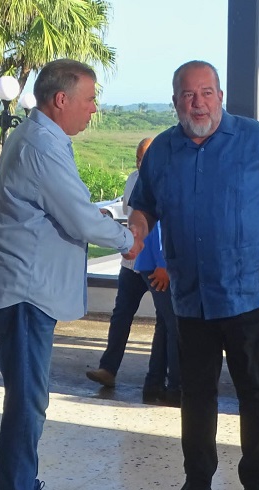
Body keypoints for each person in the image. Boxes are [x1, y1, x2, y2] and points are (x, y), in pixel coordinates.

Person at [127, 60, 259, 490]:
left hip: (251, 294)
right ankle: (198, 482)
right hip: (191, 298)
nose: (198, 103)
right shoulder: (162, 151)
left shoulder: (258, 141)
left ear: (221, 96)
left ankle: (257, 487)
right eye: (188, 95)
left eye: (206, 92)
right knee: (196, 396)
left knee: (256, 395)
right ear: (175, 102)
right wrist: (135, 233)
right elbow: (144, 207)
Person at [0, 59, 143, 490]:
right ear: (61, 99)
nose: (93, 109)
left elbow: (67, 208)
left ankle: (23, 489)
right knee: (28, 402)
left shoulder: (44, 139)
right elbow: (77, 217)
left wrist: (101, 220)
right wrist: (128, 239)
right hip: (24, 292)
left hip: (30, 290)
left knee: (30, 400)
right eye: (89, 99)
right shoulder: (41, 146)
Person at [86, 138, 181, 405]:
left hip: (156, 264)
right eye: (138, 159)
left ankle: (167, 385)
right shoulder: (134, 178)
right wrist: (107, 210)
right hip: (133, 263)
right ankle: (110, 369)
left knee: (169, 323)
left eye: (145, 158)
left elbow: (165, 225)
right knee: (122, 315)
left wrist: (164, 265)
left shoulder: (166, 180)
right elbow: (128, 207)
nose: (141, 164)